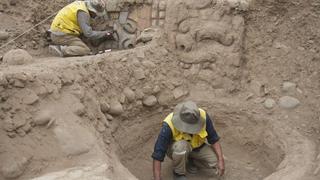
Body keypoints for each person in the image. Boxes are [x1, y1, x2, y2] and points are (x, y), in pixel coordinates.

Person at [152, 101, 225, 180]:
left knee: (215, 161)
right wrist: (157, 178)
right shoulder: (168, 125)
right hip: (176, 149)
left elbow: (214, 139)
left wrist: (221, 160)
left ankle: (191, 161)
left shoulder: (204, 116)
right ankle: (178, 173)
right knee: (181, 147)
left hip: (197, 148)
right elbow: (158, 154)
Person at [48, 0, 113, 57]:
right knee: (85, 50)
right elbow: (88, 34)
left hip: (59, 31)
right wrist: (105, 33)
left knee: (84, 42)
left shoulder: (81, 5)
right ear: (92, 10)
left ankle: (61, 46)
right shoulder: (83, 13)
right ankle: (61, 49)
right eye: (96, 14)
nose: (95, 16)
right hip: (61, 34)